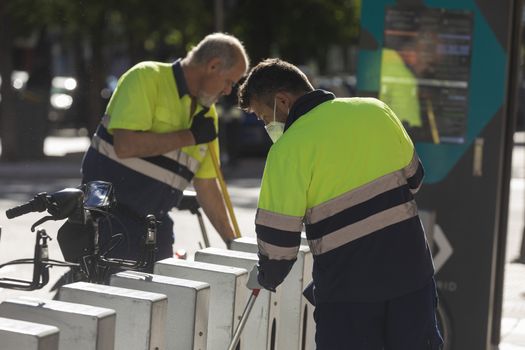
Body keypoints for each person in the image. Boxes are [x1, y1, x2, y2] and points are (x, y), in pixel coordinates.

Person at [238, 58, 443, 349]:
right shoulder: (375, 110)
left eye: (263, 117)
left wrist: (267, 276)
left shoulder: (288, 150)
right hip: (411, 276)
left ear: (282, 101)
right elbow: (415, 179)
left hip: (349, 295)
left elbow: (279, 243)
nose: (266, 125)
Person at [81, 32, 249, 262]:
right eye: (229, 81)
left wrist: (233, 244)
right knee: (120, 296)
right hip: (110, 220)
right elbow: (125, 146)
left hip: (156, 225)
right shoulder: (147, 78)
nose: (229, 91)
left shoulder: (206, 114)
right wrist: (188, 137)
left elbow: (207, 184)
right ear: (213, 66)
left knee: (163, 296)